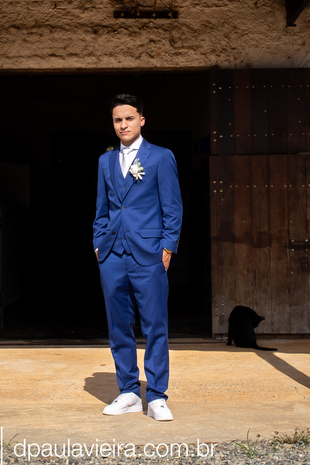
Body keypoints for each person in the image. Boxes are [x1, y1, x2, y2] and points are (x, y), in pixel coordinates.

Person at [93, 94, 183, 421]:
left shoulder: (160, 157)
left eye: (129, 118)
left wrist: (168, 247)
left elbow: (172, 207)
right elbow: (103, 207)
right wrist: (98, 243)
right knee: (119, 325)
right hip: (112, 253)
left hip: (149, 253)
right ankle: (129, 391)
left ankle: (157, 395)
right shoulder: (105, 161)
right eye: (118, 120)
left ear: (141, 120)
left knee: (154, 324)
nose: (123, 125)